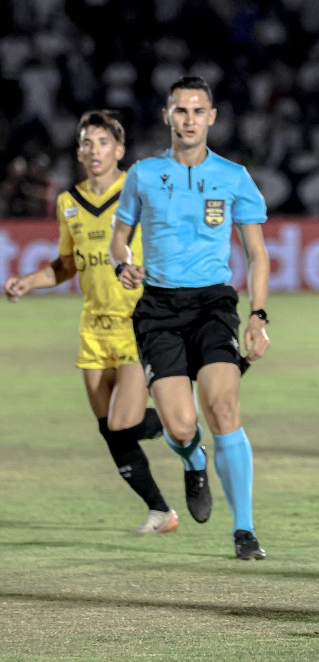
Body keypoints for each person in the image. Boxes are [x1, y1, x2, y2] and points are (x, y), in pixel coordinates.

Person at [108, 76, 272, 560]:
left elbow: (257, 255)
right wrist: (123, 263)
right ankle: (192, 458)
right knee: (181, 427)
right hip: (157, 306)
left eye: (198, 111)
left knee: (222, 407)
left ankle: (245, 531)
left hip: (213, 305)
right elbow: (119, 237)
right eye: (180, 111)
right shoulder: (142, 175)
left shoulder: (234, 176)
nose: (189, 119)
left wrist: (258, 316)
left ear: (212, 117)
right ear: (167, 116)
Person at [4, 110, 179, 535]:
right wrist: (28, 281)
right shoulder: (68, 203)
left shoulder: (139, 193)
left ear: (119, 151)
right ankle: (161, 511)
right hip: (94, 327)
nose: (93, 149)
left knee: (125, 422)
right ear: (79, 152)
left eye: (102, 142)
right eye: (86, 142)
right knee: (111, 431)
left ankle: (183, 424)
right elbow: (67, 265)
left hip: (138, 323)